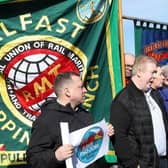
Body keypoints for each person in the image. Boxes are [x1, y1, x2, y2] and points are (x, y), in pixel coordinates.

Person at [26, 71, 114, 168]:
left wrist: (103, 133)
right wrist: (56, 156)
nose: (85, 90)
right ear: (67, 92)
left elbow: (89, 148)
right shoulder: (46, 120)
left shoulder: (85, 115)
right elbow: (33, 159)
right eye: (80, 87)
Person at [110, 55, 168, 168]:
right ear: (140, 72)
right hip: (143, 164)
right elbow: (119, 136)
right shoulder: (123, 99)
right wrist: (132, 164)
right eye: (153, 72)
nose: (155, 76)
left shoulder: (155, 95)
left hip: (162, 161)